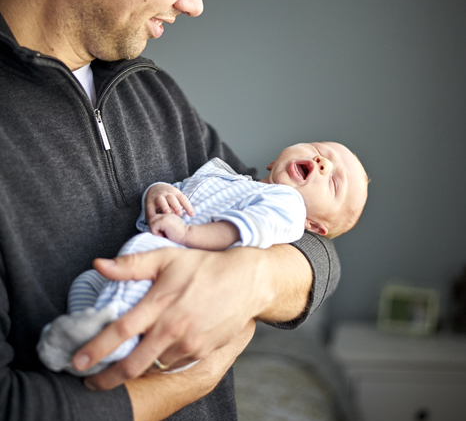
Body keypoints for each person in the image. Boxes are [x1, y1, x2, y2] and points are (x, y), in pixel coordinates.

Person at [0, 0, 341, 421]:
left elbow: (310, 239)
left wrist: (251, 282)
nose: (197, 3)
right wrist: (191, 377)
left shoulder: (152, 94)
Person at [38, 142, 368, 376]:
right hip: (155, 258)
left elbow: (241, 230)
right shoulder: (224, 176)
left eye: (334, 182)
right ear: (272, 163)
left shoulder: (287, 205)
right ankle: (88, 327)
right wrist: (158, 192)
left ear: (312, 227)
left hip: (181, 286)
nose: (324, 163)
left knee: (134, 261)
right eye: (320, 150)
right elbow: (180, 192)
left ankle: (107, 344)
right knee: (89, 281)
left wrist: (185, 235)